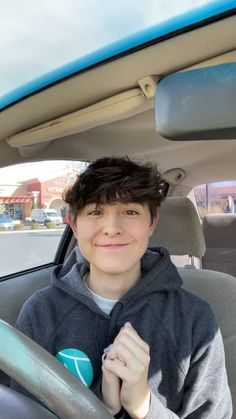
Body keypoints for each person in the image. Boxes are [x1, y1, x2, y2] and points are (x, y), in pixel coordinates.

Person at [11, 156, 232, 418]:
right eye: (95, 212)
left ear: (151, 223)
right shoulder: (41, 312)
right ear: (74, 224)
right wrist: (97, 405)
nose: (112, 228)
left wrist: (145, 406)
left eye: (130, 212)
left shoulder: (194, 319)